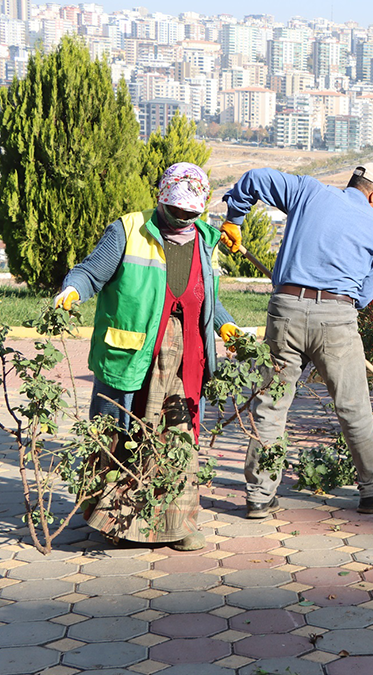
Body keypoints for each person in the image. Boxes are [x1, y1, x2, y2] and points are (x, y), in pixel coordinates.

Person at [53, 162, 239, 552]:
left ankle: (178, 525)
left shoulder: (205, 239)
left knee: (178, 438)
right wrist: (71, 292)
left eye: (191, 211)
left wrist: (226, 326)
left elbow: (207, 300)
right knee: (121, 435)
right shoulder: (128, 230)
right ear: (161, 199)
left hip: (186, 359)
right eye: (176, 209)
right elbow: (90, 274)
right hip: (133, 355)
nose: (183, 217)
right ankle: (116, 524)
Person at [221, 164, 373, 518]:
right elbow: (365, 296)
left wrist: (235, 218)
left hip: (285, 309)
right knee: (353, 408)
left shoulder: (309, 191)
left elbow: (256, 178)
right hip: (337, 318)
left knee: (272, 405)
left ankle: (260, 496)